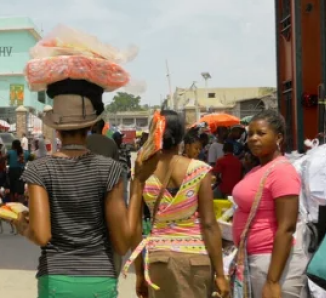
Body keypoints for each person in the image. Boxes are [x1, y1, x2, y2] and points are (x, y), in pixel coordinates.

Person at [14, 79, 131, 298]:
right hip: (100, 277)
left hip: (56, 279)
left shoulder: (39, 170)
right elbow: (122, 243)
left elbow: (41, 235)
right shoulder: (111, 170)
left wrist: (23, 227)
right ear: (90, 126)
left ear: (56, 128)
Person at [126, 110, 229, 298]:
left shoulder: (142, 173)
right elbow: (209, 224)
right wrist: (220, 274)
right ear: (182, 136)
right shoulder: (199, 170)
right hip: (195, 259)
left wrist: (140, 273)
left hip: (158, 259)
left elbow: (135, 228)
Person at [231, 109, 306, 298]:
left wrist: (272, 281)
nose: (254, 138)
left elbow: (287, 227)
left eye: (261, 133)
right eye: (251, 134)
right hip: (255, 261)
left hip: (271, 262)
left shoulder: (281, 171)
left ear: (278, 137)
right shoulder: (258, 169)